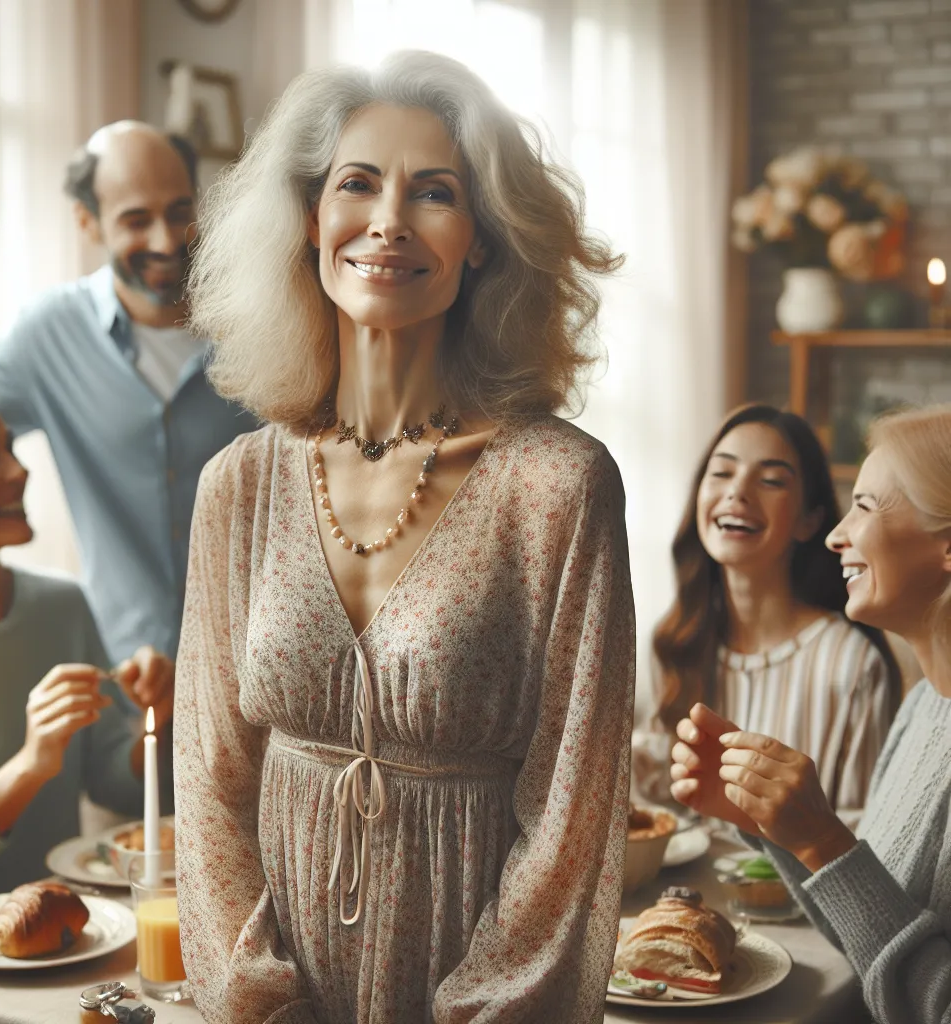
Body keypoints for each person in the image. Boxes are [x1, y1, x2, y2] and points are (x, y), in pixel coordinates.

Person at [174, 51, 636, 1024]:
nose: (387, 221)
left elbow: (572, 819)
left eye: (433, 192)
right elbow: (211, 785)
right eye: (357, 183)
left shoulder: (558, 486)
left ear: (481, 239)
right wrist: (260, 1004)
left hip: (473, 988)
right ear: (309, 217)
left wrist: (483, 1010)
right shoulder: (239, 487)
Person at [670, 404, 951, 1024]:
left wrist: (824, 839)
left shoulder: (860, 668)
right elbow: (872, 938)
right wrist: (776, 825)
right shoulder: (927, 706)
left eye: (868, 507)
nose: (836, 536)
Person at [0, 121, 259, 682]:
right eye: (135, 220)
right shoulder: (47, 334)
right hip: (126, 676)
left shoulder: (260, 323)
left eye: (179, 211)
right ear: (88, 222)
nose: (166, 241)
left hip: (253, 670)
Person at [0, 384, 172, 911]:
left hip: (69, 940)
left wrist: (161, 720)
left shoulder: (61, 605)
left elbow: (114, 787)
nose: (19, 471)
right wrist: (30, 765)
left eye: (11, 449)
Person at [633, 404, 899, 823]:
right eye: (721, 473)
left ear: (809, 520)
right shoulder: (673, 640)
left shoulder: (851, 665)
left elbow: (865, 832)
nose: (738, 492)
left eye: (772, 480)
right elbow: (650, 803)